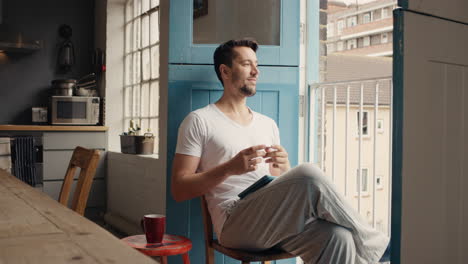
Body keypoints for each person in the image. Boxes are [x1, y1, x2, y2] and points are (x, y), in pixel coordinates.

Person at [171, 39, 390, 264]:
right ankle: (376, 247)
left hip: (271, 221)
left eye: (256, 64)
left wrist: (282, 168)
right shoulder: (199, 121)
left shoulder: (267, 124)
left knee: (338, 237)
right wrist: (229, 168)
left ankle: (369, 247)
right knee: (308, 172)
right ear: (225, 71)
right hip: (233, 223)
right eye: (247, 64)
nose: (255, 71)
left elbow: (276, 184)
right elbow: (179, 189)